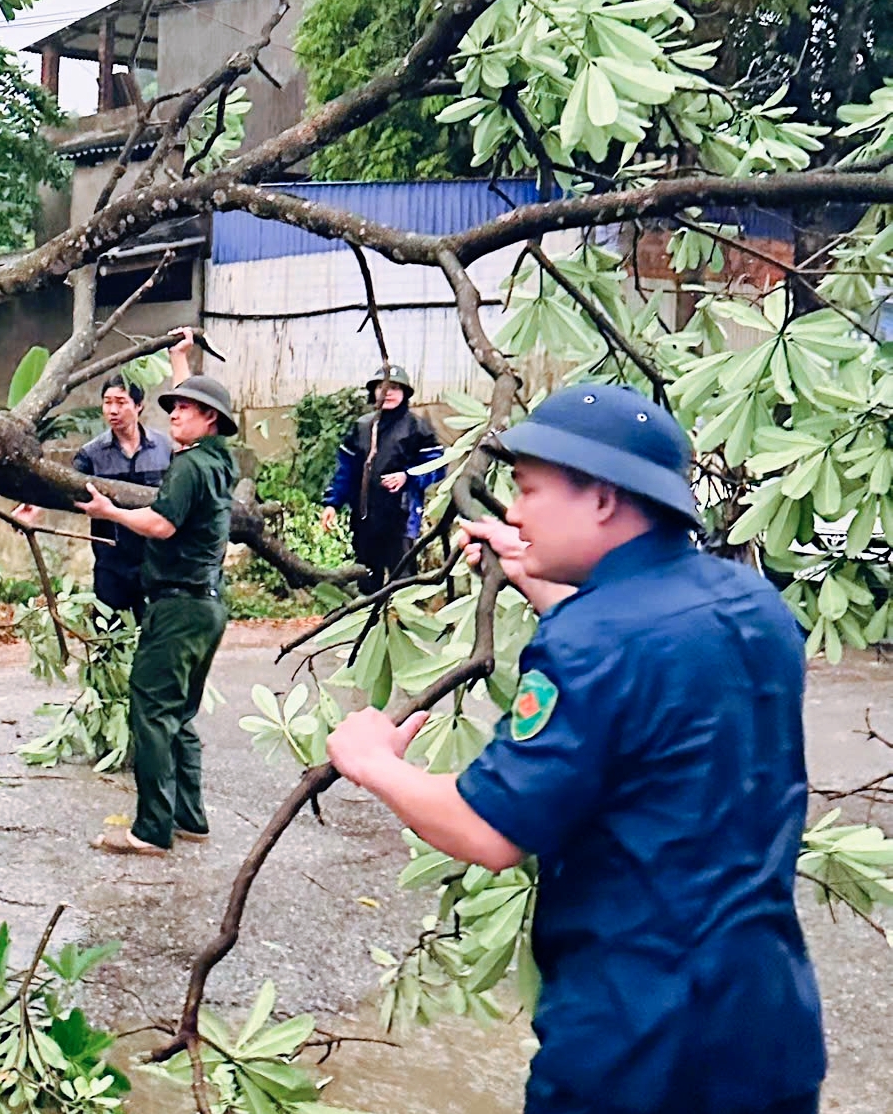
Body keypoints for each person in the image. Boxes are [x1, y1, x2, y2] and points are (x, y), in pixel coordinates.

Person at [326, 383, 823, 1114]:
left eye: (529, 490)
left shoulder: (594, 641)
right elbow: (648, 672)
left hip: (634, 1052)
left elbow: (488, 830)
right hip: (768, 1035)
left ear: (601, 500)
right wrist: (552, 587)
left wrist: (372, 760)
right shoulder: (754, 605)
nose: (516, 512)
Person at [76, 338, 236, 856]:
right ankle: (190, 818)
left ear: (209, 418)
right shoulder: (218, 461)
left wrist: (113, 514)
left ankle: (151, 830)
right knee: (180, 714)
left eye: (185, 409)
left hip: (179, 605)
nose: (176, 415)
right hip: (208, 603)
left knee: (150, 711)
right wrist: (180, 362)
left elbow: (162, 524)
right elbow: (194, 398)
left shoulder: (188, 466)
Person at [13, 370, 174, 615]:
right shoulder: (92, 454)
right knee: (109, 640)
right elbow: (65, 486)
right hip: (111, 561)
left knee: (154, 636)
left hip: (156, 560)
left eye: (121, 403)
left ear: (139, 405)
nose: (113, 410)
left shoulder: (164, 449)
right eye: (107, 403)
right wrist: (34, 503)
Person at [320, 363, 444, 593]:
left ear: (405, 393)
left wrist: (408, 476)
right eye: (382, 387)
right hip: (366, 517)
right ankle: (370, 624)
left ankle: (403, 626)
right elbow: (346, 470)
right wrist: (332, 503)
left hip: (402, 516)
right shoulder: (362, 427)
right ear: (374, 391)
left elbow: (437, 466)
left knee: (404, 581)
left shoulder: (416, 427)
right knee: (367, 578)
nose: (388, 393)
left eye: (395, 388)